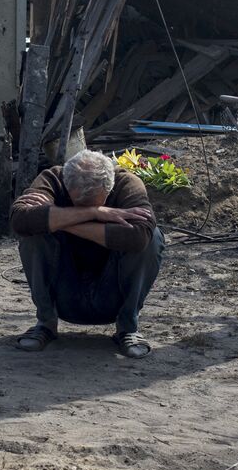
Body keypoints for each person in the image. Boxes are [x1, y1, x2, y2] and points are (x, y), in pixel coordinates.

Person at [10, 150, 165, 358]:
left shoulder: (127, 184)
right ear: (67, 183)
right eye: (79, 204)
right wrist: (95, 213)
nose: (88, 209)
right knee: (33, 234)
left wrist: (59, 221)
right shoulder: (53, 179)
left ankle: (128, 327)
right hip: (64, 292)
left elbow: (139, 236)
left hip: (111, 292)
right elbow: (20, 220)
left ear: (109, 189)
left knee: (152, 237)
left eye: (96, 204)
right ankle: (45, 322)